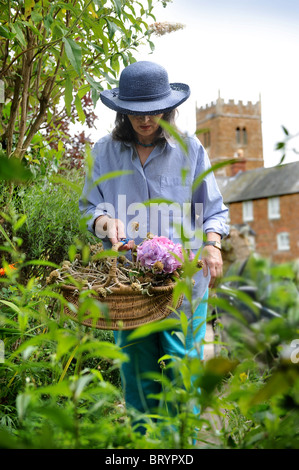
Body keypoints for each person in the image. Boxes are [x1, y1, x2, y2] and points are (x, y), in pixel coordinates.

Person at [79, 61, 229, 437]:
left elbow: (212, 210)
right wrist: (103, 222)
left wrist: (212, 245)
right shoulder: (104, 151)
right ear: (122, 110)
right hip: (129, 290)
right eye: (136, 113)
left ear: (167, 108)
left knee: (181, 375)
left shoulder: (190, 149)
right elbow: (89, 207)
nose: (145, 120)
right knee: (138, 379)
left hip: (182, 288)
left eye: (154, 111)